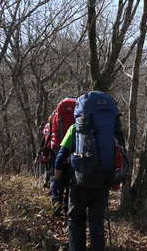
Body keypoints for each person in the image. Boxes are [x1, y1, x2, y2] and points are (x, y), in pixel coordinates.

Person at [51, 91, 125, 251]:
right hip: (103, 181)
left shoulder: (74, 129)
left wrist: (56, 183)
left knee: (76, 222)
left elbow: (59, 158)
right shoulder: (111, 129)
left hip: (79, 182)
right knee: (97, 225)